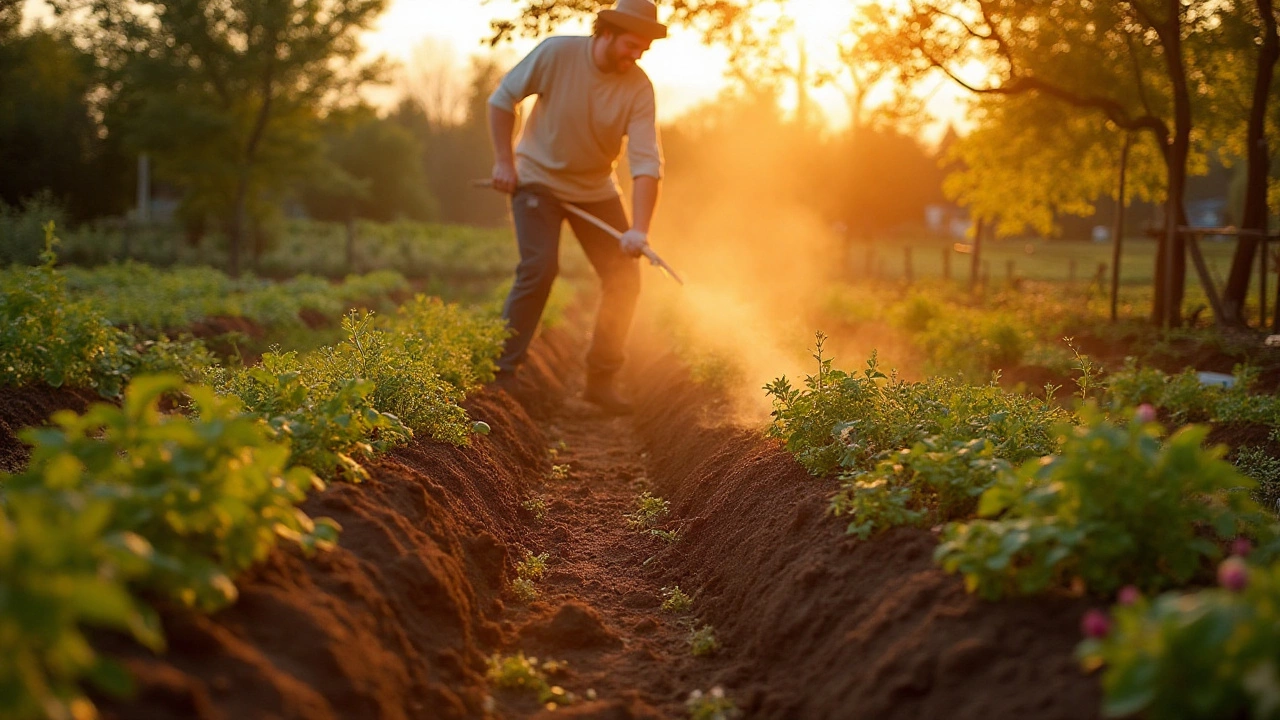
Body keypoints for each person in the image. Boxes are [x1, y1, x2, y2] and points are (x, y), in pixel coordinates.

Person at [487, 0, 667, 415]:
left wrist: (639, 229)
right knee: (540, 267)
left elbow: (646, 163)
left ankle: (601, 381)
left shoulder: (639, 87)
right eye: (630, 45)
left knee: (625, 278)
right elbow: (502, 99)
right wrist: (503, 161)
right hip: (536, 181)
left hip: (595, 188)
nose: (636, 55)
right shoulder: (556, 54)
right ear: (606, 33)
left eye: (643, 48)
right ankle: (503, 373)